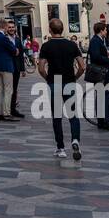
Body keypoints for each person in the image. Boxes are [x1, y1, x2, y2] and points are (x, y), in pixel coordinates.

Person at [38, 17, 84, 160]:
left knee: (57, 117)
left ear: (50, 30)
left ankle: (60, 147)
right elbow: (82, 66)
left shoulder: (46, 46)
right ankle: (75, 140)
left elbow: (40, 67)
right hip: (69, 81)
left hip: (54, 82)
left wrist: (47, 78)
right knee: (73, 115)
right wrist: (75, 77)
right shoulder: (72, 45)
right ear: (63, 29)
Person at [86, 21, 109, 130]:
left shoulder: (99, 40)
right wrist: (107, 59)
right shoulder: (95, 41)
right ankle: (106, 121)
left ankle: (102, 121)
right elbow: (95, 57)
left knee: (101, 97)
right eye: (105, 29)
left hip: (101, 72)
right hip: (101, 73)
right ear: (101, 30)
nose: (106, 31)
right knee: (104, 97)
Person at [0, 18, 19, 122]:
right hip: (6, 66)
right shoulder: (4, 38)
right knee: (8, 90)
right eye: (7, 26)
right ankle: (7, 113)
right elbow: (14, 50)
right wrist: (16, 51)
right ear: (5, 26)